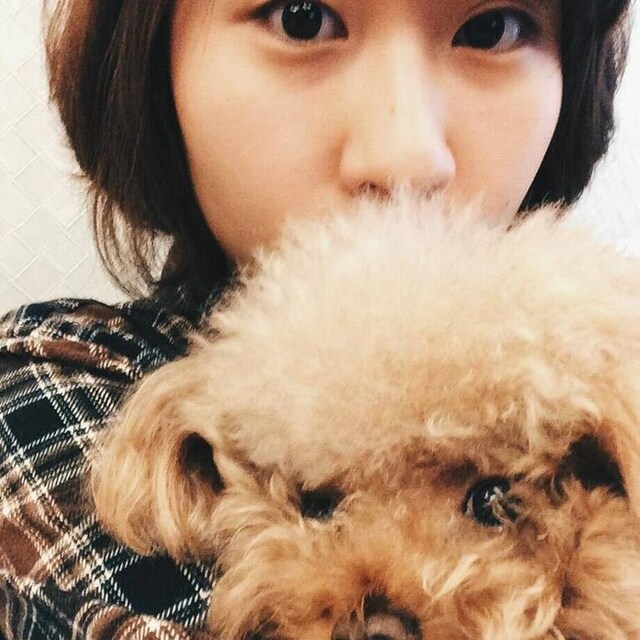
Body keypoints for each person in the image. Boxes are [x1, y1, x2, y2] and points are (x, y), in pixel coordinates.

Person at [0, 0, 632, 638]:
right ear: (147, 54)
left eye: (492, 29)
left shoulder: (598, 372)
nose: (407, 157)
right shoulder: (50, 388)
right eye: (301, 19)